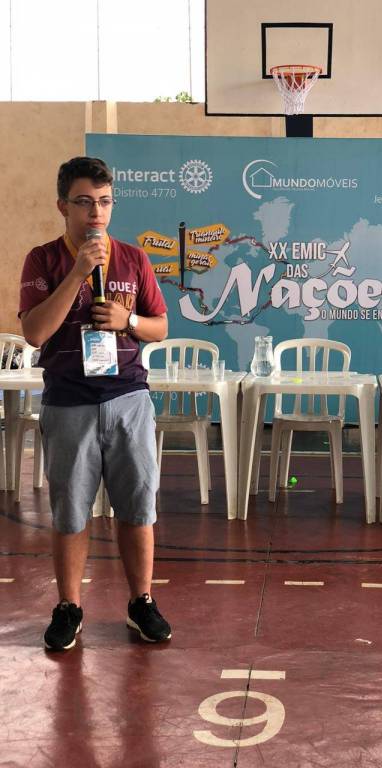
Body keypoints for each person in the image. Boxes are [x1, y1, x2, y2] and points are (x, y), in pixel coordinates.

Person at [19, 156, 172, 650]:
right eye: (84, 202)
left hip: (128, 397)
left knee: (138, 505)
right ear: (63, 206)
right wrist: (79, 272)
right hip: (69, 402)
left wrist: (129, 321)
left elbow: (160, 327)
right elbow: (35, 332)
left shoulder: (133, 258)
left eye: (104, 202)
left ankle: (141, 602)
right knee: (71, 510)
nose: (96, 213)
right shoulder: (43, 260)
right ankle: (69, 606)